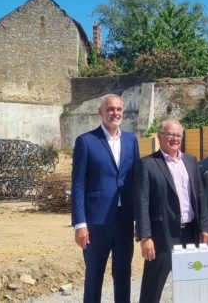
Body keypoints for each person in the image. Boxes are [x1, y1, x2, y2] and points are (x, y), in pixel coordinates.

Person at [71, 94, 140, 303]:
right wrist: (80, 224)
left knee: (123, 274)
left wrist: (141, 220)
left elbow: (137, 180)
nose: (115, 113)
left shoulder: (131, 140)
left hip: (124, 219)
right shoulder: (86, 141)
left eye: (119, 109)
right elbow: (78, 185)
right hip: (96, 222)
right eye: (110, 109)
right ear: (100, 111)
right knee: (94, 275)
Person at [134, 119, 208, 303]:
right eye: (170, 135)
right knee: (152, 289)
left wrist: (204, 227)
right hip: (162, 236)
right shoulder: (148, 164)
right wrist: (145, 237)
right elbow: (141, 203)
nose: (175, 139)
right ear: (160, 136)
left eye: (178, 135)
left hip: (191, 233)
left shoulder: (190, 161)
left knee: (191, 287)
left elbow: (200, 196)